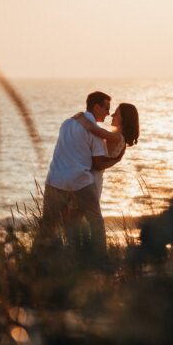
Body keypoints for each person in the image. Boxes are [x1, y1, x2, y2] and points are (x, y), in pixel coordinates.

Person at [42, 91, 124, 254]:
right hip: (79, 181)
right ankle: (100, 260)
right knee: (96, 223)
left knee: (47, 226)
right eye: (106, 108)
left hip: (54, 180)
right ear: (96, 107)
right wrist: (116, 160)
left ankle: (41, 260)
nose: (108, 113)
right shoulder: (95, 133)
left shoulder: (66, 123)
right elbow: (98, 163)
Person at [73, 102, 140, 200]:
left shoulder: (117, 138)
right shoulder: (119, 139)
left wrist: (81, 117)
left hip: (90, 182)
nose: (112, 115)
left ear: (123, 119)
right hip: (92, 179)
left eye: (116, 113)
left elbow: (94, 129)